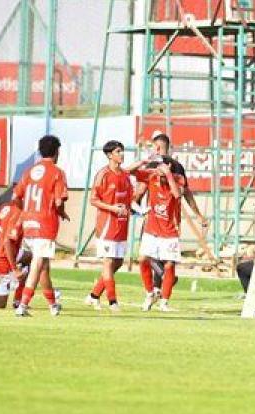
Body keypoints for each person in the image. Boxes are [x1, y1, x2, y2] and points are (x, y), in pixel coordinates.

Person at [133, 133, 207, 296]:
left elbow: (140, 191)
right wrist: (199, 215)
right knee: (165, 255)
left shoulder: (153, 164)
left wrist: (135, 207)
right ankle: (159, 288)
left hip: (153, 217)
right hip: (173, 219)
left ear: (157, 147)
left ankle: (162, 277)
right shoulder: (178, 166)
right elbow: (187, 193)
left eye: (153, 146)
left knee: (147, 253)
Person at [84, 140, 147, 311]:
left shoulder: (125, 176)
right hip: (106, 226)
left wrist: (139, 210)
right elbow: (93, 199)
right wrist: (111, 207)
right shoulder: (102, 175)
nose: (122, 154)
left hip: (122, 226)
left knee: (117, 263)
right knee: (108, 262)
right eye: (118, 151)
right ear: (109, 155)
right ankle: (113, 302)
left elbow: (129, 201)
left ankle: (93, 295)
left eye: (122, 151)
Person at [12, 135, 69, 317]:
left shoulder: (29, 171)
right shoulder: (57, 172)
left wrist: (25, 213)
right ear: (57, 152)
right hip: (45, 223)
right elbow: (59, 202)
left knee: (43, 265)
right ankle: (23, 305)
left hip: (29, 222)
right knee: (38, 263)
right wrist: (61, 213)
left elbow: (15, 197)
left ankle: (52, 305)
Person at [135, 146, 184, 312]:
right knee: (142, 259)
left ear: (168, 166)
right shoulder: (151, 177)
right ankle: (150, 293)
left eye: (161, 166)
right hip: (152, 229)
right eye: (156, 167)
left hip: (170, 230)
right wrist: (143, 162)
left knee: (169, 265)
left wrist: (168, 175)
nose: (158, 169)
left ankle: (164, 301)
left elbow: (177, 195)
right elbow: (129, 172)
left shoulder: (177, 178)